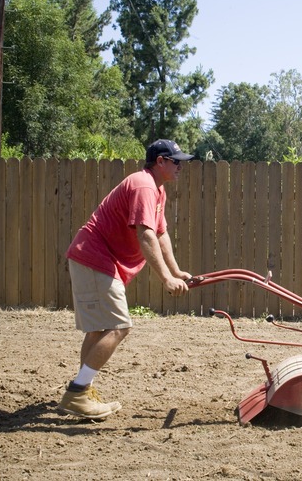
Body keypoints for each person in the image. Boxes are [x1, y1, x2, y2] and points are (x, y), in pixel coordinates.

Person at [58, 139, 194, 420]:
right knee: (119, 326)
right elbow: (144, 234)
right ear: (160, 162)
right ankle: (77, 392)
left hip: (93, 258)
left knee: (98, 329)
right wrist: (165, 278)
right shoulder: (144, 186)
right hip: (94, 257)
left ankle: (82, 392)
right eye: (176, 161)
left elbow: (160, 233)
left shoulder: (157, 189)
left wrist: (176, 271)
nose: (180, 166)